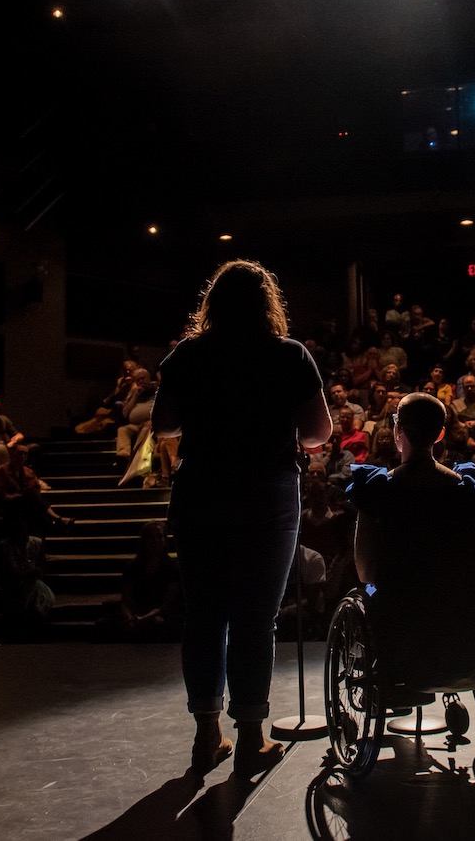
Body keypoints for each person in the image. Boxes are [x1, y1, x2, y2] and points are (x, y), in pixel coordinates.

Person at [151, 260, 332, 779]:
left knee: (205, 615)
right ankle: (252, 736)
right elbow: (317, 432)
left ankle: (207, 735)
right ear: (266, 303)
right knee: (256, 617)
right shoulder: (289, 354)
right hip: (266, 494)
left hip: (202, 492)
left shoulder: (188, 354)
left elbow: (163, 424)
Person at [349, 392, 475, 689]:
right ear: (440, 434)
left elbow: (365, 571)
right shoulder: (469, 490)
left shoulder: (377, 489)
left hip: (404, 631)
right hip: (469, 628)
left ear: (398, 430)